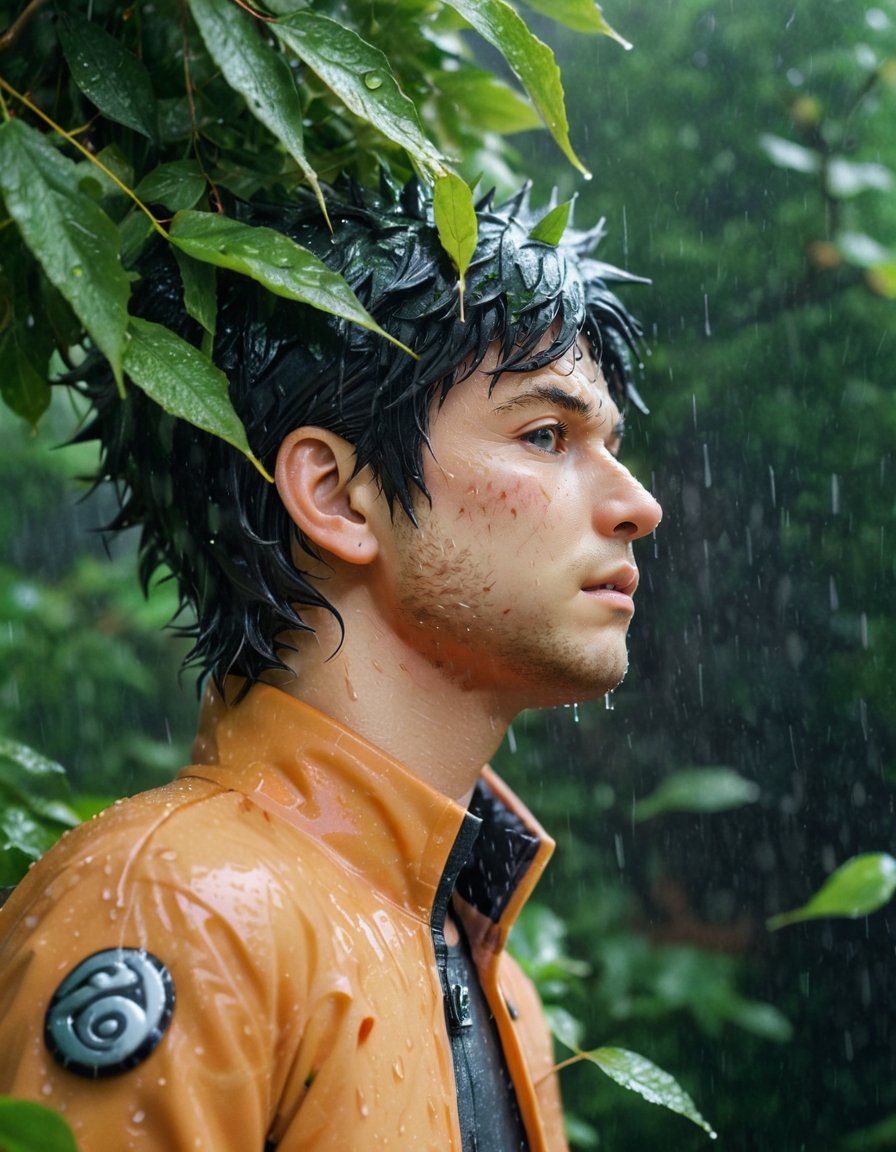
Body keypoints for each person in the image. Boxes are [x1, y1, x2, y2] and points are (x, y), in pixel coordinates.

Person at [0, 180, 662, 1152]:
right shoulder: (178, 909)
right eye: (543, 435)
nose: (636, 503)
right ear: (338, 497)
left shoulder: (488, 973)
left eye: (608, 444)